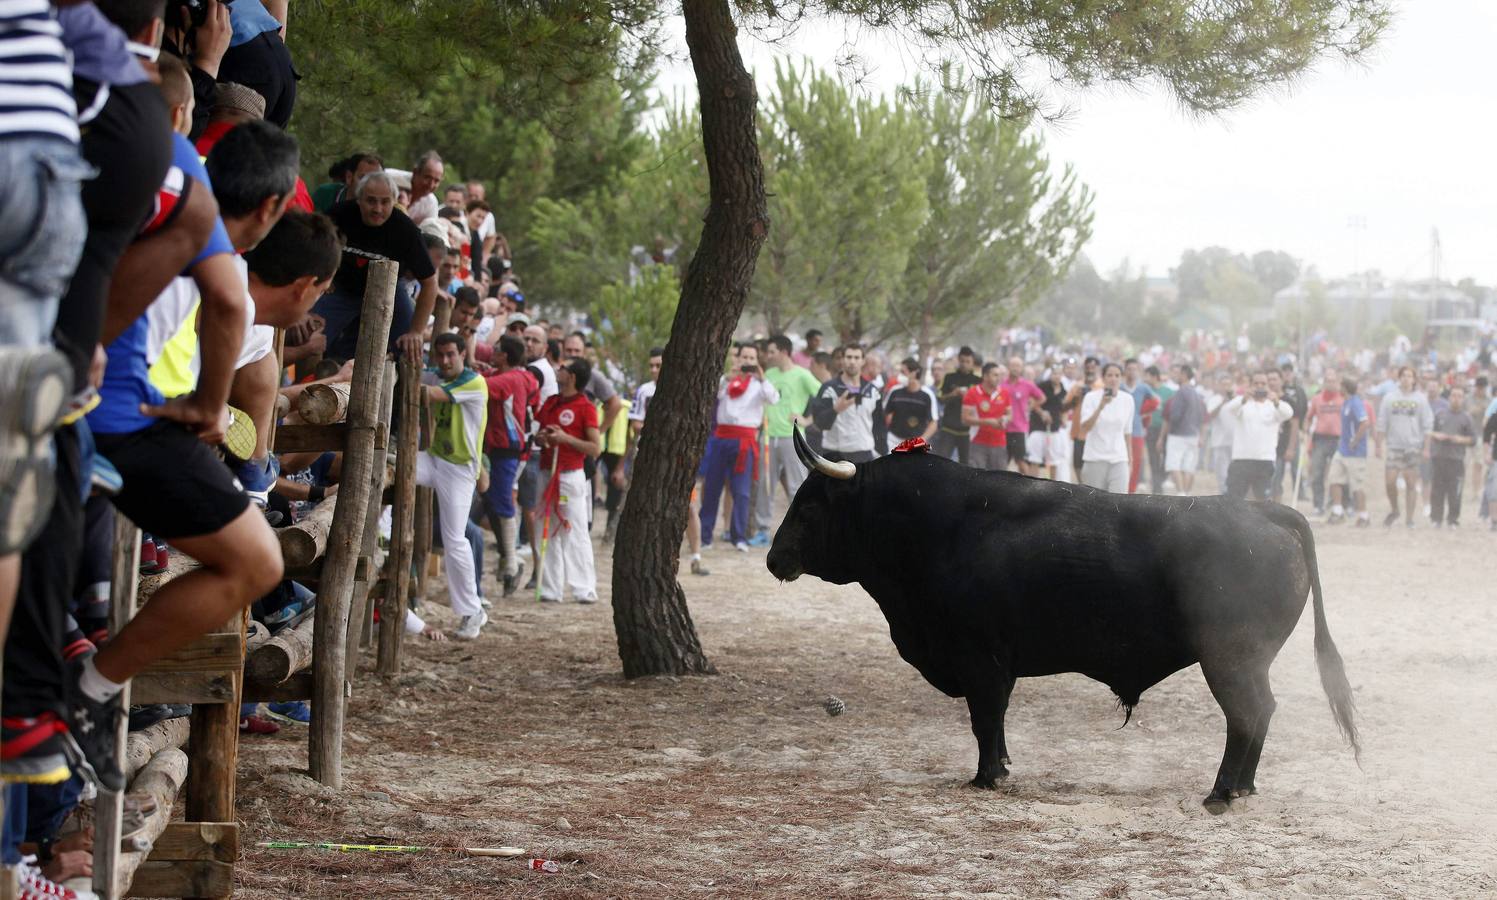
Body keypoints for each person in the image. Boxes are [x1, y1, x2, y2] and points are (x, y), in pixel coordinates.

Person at [317, 171, 436, 364]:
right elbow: (314, 251)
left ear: (395, 201)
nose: (378, 209)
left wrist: (416, 332)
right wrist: (323, 279)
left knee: (409, 350)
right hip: (341, 288)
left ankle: (398, 389)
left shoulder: (406, 230)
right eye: (371, 201)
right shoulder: (338, 215)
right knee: (310, 337)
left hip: (387, 292)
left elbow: (430, 283)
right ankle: (305, 385)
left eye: (385, 202)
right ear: (359, 199)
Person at [418, 333, 489, 637]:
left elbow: (429, 394)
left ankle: (473, 611)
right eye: (441, 355)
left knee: (454, 540)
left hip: (460, 470)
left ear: (463, 354)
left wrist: (402, 377)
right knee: (384, 470)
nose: (445, 361)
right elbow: (416, 376)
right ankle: (381, 532)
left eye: (451, 355)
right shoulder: (437, 374)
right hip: (433, 459)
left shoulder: (473, 382)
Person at [699, 344, 779, 552]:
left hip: (745, 440)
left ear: (756, 361)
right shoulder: (726, 381)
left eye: (752, 358)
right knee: (712, 488)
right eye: (744, 357)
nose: (747, 361)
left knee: (741, 491)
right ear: (738, 358)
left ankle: (739, 536)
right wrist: (728, 375)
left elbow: (773, 398)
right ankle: (705, 535)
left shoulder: (760, 385)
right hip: (721, 438)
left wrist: (761, 377)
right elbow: (713, 395)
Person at [535, 357, 602, 603]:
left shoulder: (585, 407)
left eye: (563, 368)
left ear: (572, 377)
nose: (558, 370)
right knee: (548, 529)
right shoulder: (551, 402)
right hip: (546, 471)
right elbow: (538, 435)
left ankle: (584, 588)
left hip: (570, 476)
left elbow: (595, 448)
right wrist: (542, 438)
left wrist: (566, 439)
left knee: (574, 530)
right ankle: (551, 588)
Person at [480, 334, 536, 596]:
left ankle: (512, 562)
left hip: (506, 448)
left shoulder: (508, 379)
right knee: (492, 500)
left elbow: (478, 384)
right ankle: (509, 559)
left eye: (496, 349)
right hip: (498, 448)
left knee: (502, 502)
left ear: (505, 356)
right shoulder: (513, 375)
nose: (492, 351)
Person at [752, 334, 820, 545]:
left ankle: (801, 531)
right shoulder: (769, 374)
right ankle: (762, 530)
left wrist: (808, 420)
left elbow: (825, 396)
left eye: (772, 352)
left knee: (797, 487)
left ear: (783, 352)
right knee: (766, 485)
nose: (768, 356)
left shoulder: (802, 375)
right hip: (768, 437)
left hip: (793, 438)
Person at [1220, 371, 1293, 501]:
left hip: (1264, 460)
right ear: (1250, 385)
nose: (1259, 386)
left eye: (1263, 384)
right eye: (1256, 383)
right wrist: (1244, 398)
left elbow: (1288, 413)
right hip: (1241, 459)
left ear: (1268, 386)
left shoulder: (1273, 405)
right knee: (1234, 500)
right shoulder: (1243, 403)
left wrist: (1276, 401)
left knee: (1262, 501)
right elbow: (1229, 409)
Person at [1376, 366, 1432, 528]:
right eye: (1404, 375)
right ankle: (1395, 509)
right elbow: (1382, 422)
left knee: (1411, 484)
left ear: (1414, 379)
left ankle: (1409, 518)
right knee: (1390, 482)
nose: (1407, 379)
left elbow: (1427, 425)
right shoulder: (1389, 398)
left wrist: (1426, 447)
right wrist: (1379, 445)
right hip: (1394, 446)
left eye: (1410, 376)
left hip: (1413, 447)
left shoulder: (1420, 399)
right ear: (1399, 378)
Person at [810, 344, 885, 464]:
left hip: (863, 454)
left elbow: (879, 426)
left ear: (863, 361)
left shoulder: (872, 391)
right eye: (849, 357)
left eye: (856, 358)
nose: (852, 362)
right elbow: (819, 423)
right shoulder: (829, 389)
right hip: (834, 453)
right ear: (843, 360)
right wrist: (835, 410)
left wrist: (883, 455)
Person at [1076, 363, 1135, 492]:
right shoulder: (1091, 398)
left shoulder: (1128, 399)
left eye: (1117, 375)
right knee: (1094, 504)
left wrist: (1130, 460)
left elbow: (1127, 432)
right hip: (1095, 459)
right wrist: (1101, 406)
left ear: (1121, 378)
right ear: (1103, 378)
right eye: (1109, 375)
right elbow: (1085, 428)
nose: (1113, 379)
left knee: (1118, 504)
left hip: (1119, 459)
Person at [1428, 386, 1476, 528]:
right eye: (1454, 395)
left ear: (1463, 399)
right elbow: (1431, 432)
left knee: (1455, 492)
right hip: (1439, 457)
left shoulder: (1466, 418)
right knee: (1437, 491)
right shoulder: (1440, 414)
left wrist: (1460, 439)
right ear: (1449, 398)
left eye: (1459, 396)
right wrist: (1438, 436)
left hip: (1456, 460)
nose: (1456, 398)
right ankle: (1436, 519)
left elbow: (1473, 440)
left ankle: (1453, 520)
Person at [1326, 376, 1371, 527]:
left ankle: (1364, 515)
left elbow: (1365, 423)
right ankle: (1338, 511)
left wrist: (1355, 440)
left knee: (1357, 485)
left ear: (1345, 387)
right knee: (1334, 479)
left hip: (1356, 452)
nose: (1338, 388)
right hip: (1343, 450)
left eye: (1340, 385)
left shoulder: (1356, 402)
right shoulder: (1346, 402)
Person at [1159, 364, 1205, 495]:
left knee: (1174, 465)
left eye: (1178, 373)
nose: (1176, 376)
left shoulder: (1180, 392)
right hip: (1193, 435)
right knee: (1188, 467)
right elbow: (1202, 417)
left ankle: (1181, 493)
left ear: (1184, 375)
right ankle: (1186, 493)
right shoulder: (1196, 394)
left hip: (1178, 434)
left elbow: (1174, 415)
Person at [1305, 371, 1345, 515]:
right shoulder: (1317, 399)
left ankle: (1337, 504)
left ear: (1338, 383)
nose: (1330, 383)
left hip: (1338, 440)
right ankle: (1318, 505)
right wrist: (1307, 427)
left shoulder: (1343, 399)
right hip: (1320, 439)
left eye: (1333, 381)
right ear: (1324, 383)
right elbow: (1309, 417)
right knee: (1317, 473)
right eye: (1328, 381)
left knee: (1338, 474)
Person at [933, 347, 980, 463]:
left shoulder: (978, 381)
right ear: (958, 360)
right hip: (949, 428)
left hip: (968, 431)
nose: (964, 364)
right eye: (962, 361)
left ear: (973, 363)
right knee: (942, 462)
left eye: (968, 362)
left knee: (966, 465)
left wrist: (968, 397)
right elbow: (940, 399)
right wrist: (953, 394)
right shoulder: (949, 378)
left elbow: (981, 405)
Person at [962, 362, 1011, 471]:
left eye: (1000, 375)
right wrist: (988, 422)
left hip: (1000, 444)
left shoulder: (1004, 393)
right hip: (978, 444)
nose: (999, 378)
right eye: (995, 375)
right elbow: (965, 419)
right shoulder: (972, 392)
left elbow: (1010, 414)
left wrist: (1005, 419)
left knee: (1001, 480)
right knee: (978, 480)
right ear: (985, 376)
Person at [1000, 356, 1045, 475]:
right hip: (1003, 428)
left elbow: (1042, 398)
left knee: (1021, 462)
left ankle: (1027, 487)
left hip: (1019, 428)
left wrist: (1030, 407)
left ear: (1022, 368)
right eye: (1013, 365)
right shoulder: (1001, 385)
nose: (1015, 368)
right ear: (1008, 367)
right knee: (1003, 462)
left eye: (1018, 366)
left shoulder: (1027, 385)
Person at [1269, 366, 1306, 503]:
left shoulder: (1289, 400)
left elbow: (1295, 424)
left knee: (1277, 479)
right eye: (1269, 379)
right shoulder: (1263, 400)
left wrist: (1291, 447)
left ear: (1281, 381)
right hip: (1267, 447)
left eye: (1275, 379)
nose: (1272, 382)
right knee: (1270, 481)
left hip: (1283, 445)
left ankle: (1277, 509)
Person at [1121, 358, 1159, 493]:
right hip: (1119, 431)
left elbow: (1156, 401)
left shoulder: (1143, 387)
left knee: (1136, 462)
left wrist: (1143, 413)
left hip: (1136, 430)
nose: (1132, 372)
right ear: (1124, 370)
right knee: (1120, 461)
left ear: (1139, 371)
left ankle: (1130, 491)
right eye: (1129, 369)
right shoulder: (1119, 386)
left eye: (1135, 369)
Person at [884, 357, 938, 444]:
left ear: (915, 372)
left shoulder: (927, 395)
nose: (900, 375)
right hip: (893, 440)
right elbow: (885, 413)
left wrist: (922, 439)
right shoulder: (895, 391)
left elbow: (933, 423)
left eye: (903, 372)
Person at [405, 150, 443, 225]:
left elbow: (429, 231)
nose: (431, 185)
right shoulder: (391, 181)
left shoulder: (431, 203)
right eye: (427, 178)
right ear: (415, 173)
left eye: (436, 181)